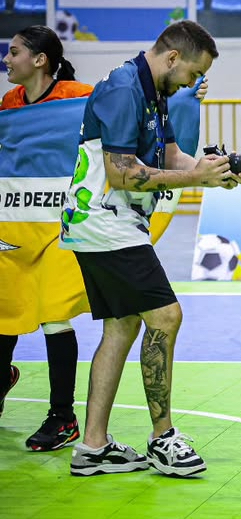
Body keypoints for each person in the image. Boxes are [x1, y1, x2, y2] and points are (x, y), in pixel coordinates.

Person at [60, 21, 241, 477]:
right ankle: (163, 438)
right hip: (104, 220)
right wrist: (194, 177)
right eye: (193, 74)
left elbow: (171, 156)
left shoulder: (154, 91)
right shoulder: (124, 89)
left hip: (114, 222)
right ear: (173, 58)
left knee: (121, 327)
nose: (193, 84)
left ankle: (93, 447)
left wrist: (211, 172)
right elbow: (122, 173)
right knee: (165, 316)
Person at [0, 26, 92, 452]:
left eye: (14, 52)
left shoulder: (80, 97)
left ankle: (63, 417)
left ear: (39, 60)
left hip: (61, 225)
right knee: (5, 309)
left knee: (54, 314)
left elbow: (125, 112)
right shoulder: (10, 103)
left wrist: (181, 99)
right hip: (18, 222)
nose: (6, 59)